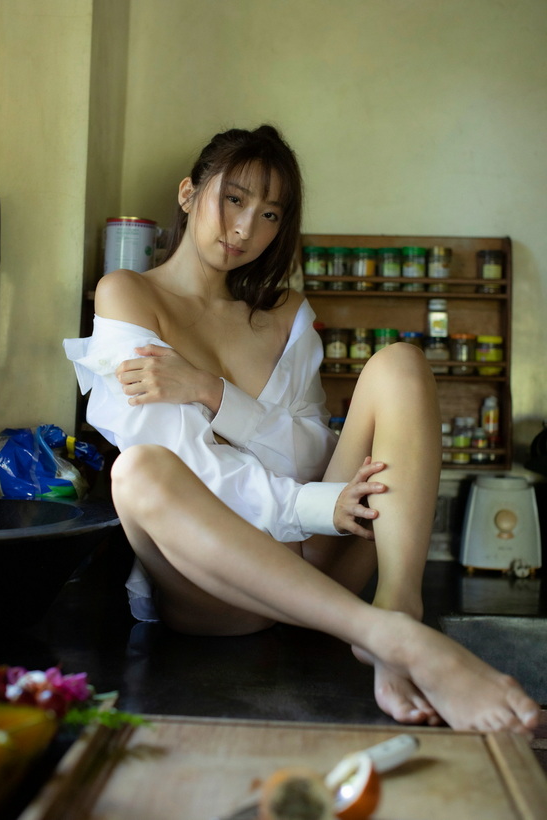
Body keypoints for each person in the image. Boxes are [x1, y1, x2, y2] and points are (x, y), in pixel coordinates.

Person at [64, 124, 539, 736]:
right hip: (221, 589)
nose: (245, 229)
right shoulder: (129, 293)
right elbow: (185, 461)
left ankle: (399, 608)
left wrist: (211, 392)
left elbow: (311, 445)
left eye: (269, 214)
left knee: (400, 363)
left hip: (319, 556)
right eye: (233, 199)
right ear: (188, 193)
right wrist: (311, 503)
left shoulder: (283, 312)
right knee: (139, 471)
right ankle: (390, 637)